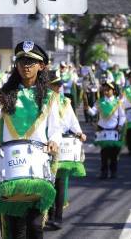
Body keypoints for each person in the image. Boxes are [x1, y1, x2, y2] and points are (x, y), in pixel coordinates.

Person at [0, 41, 61, 239]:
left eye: (30, 61)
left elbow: (55, 128)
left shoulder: (50, 97)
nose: (25, 66)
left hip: (37, 167)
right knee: (15, 228)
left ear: (41, 66)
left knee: (36, 226)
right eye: (21, 61)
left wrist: (54, 141)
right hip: (11, 168)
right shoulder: (6, 94)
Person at [47, 70, 86, 230]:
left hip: (62, 144)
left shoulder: (65, 102)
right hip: (44, 145)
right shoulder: (42, 101)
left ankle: (58, 217)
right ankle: (47, 213)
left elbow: (72, 121)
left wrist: (79, 132)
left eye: (58, 85)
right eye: (54, 85)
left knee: (60, 181)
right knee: (46, 181)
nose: (57, 88)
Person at [88, 79, 126, 179]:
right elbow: (93, 112)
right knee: (104, 154)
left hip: (114, 129)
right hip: (103, 130)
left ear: (113, 90)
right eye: (105, 89)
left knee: (114, 153)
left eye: (108, 89)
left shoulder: (118, 102)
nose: (106, 91)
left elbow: (122, 116)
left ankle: (113, 172)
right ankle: (104, 172)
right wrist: (87, 108)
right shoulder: (100, 102)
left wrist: (120, 125)